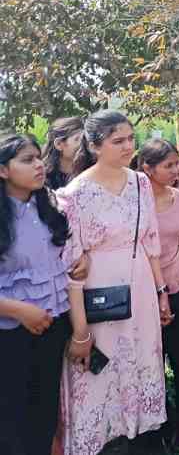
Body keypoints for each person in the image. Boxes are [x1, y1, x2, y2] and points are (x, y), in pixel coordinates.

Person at [56, 110, 172, 455]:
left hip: (140, 290)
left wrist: (161, 291)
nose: (127, 146)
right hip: (98, 296)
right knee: (99, 374)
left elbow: (151, 241)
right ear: (94, 146)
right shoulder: (73, 194)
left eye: (130, 139)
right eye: (117, 140)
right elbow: (72, 267)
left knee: (141, 362)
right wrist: (80, 330)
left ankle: (138, 435)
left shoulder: (139, 183)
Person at [0, 134, 87, 455]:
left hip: (53, 324)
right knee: (11, 420)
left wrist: (82, 260)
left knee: (44, 413)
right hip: (9, 333)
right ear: (3, 171)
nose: (38, 165)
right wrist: (20, 311)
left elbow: (64, 254)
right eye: (26, 160)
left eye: (38, 157)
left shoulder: (48, 206)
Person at [137, 139, 179, 449]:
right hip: (144, 290)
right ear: (147, 169)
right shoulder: (135, 200)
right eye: (168, 166)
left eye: (178, 164)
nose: (177, 171)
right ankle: (156, 421)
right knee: (152, 359)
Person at [42, 116, 84, 190]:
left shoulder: (90, 170)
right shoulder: (43, 177)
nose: (83, 144)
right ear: (59, 144)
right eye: (77, 139)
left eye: (85, 139)